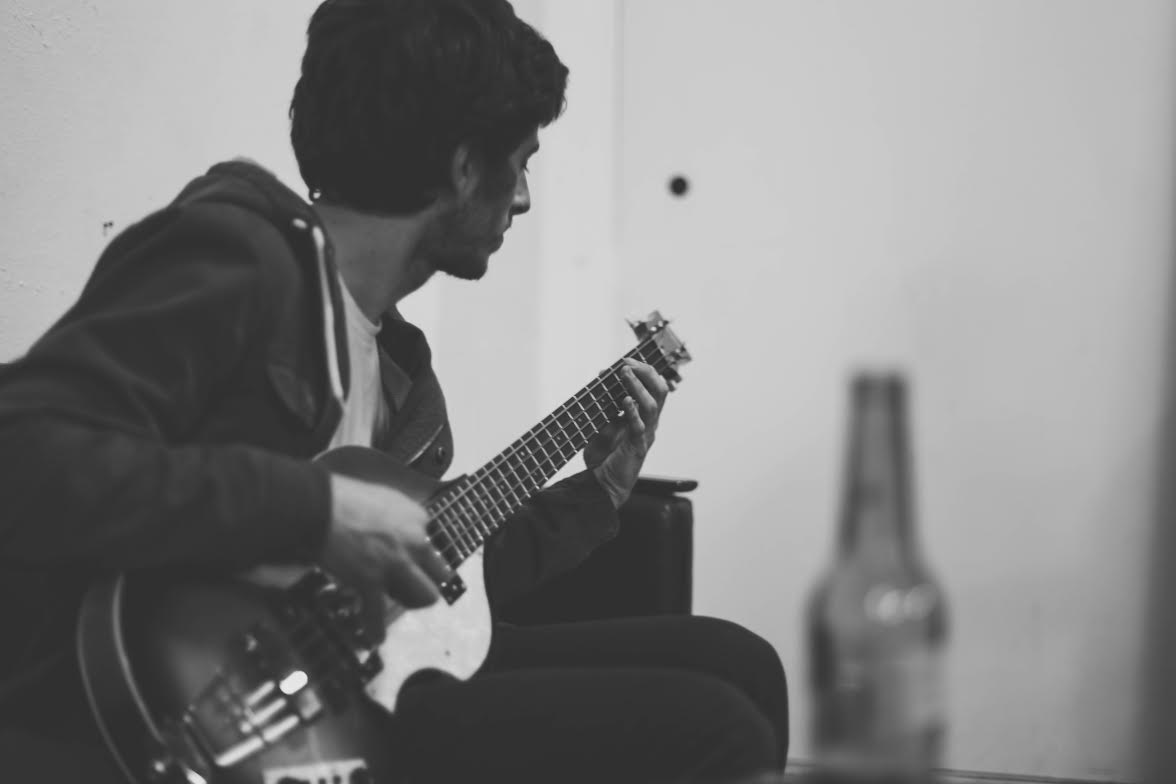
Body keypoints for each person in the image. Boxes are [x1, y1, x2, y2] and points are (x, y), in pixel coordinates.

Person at [0, 1, 789, 781]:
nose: (522, 197)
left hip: (363, 681)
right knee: (713, 727)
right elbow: (23, 450)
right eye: (520, 162)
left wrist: (601, 491)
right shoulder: (236, 256)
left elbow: (435, 587)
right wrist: (318, 511)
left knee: (740, 663)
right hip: (215, 707)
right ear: (464, 167)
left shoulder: (401, 370)